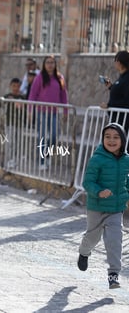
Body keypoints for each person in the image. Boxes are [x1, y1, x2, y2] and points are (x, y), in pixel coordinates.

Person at [77, 123, 129, 289]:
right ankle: (84, 252)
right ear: (102, 139)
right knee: (93, 237)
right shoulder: (97, 159)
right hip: (96, 207)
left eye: (116, 137)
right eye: (108, 137)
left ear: (123, 140)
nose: (111, 140)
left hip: (116, 209)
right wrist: (99, 192)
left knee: (115, 240)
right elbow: (88, 182)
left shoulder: (127, 160)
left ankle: (113, 274)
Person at [28, 55, 68, 167]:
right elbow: (32, 94)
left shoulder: (60, 78)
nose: (50, 65)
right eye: (47, 63)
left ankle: (47, 155)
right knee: (42, 136)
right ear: (44, 65)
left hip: (54, 112)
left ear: (55, 64)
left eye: (52, 62)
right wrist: (30, 110)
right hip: (42, 112)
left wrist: (65, 111)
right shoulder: (39, 77)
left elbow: (64, 96)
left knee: (55, 135)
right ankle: (41, 161)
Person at [101, 50, 129, 136]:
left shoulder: (127, 78)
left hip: (122, 119)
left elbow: (126, 100)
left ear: (119, 63)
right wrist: (110, 86)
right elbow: (119, 93)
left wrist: (109, 105)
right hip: (116, 118)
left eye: (115, 61)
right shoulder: (122, 77)